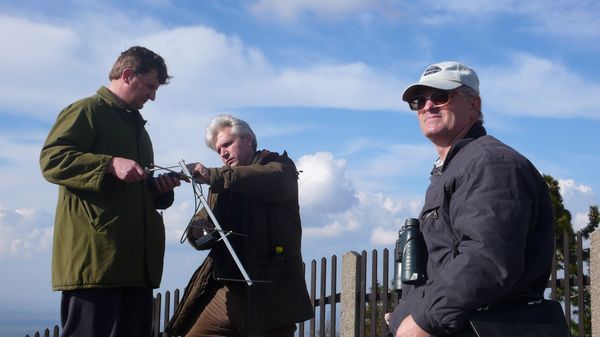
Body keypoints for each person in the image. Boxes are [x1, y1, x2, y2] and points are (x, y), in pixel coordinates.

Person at [386, 61, 554, 336]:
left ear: (474, 105)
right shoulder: (455, 168)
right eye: (419, 100)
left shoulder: (489, 164)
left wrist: (423, 320)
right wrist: (404, 312)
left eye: (441, 96)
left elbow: (487, 256)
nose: (428, 106)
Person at [39, 46, 182, 337]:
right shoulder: (86, 111)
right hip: (98, 262)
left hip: (137, 264)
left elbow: (137, 187)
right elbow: (51, 161)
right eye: (150, 86)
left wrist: (159, 188)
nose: (153, 96)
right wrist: (108, 164)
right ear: (128, 75)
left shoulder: (140, 130)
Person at [166, 114, 313, 337]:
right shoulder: (220, 184)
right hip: (225, 292)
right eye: (218, 150)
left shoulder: (279, 168)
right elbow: (200, 224)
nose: (223, 153)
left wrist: (212, 175)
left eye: (227, 144)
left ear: (249, 140)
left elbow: (261, 179)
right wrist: (198, 231)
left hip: (269, 295)